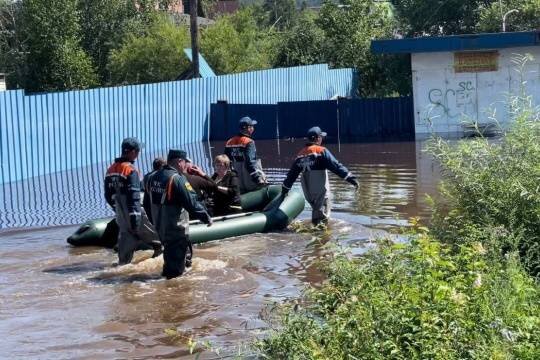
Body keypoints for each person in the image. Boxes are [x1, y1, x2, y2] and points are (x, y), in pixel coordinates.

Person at [147, 149, 213, 279]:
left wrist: (155, 223)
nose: (185, 166)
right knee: (175, 273)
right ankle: (172, 293)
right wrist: (206, 217)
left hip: (160, 227)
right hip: (175, 229)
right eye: (185, 162)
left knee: (171, 259)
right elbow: (192, 203)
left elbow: (147, 204)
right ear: (179, 161)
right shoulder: (177, 179)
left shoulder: (151, 177)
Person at [281, 127, 359, 226]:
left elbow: (291, 175)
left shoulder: (300, 155)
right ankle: (321, 237)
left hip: (309, 192)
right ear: (318, 139)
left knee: (316, 212)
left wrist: (284, 190)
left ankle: (315, 230)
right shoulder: (320, 151)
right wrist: (351, 179)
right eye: (321, 137)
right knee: (323, 217)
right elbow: (336, 166)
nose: (322, 139)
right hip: (321, 191)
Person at [104, 137, 161, 264]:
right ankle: (157, 265)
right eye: (138, 151)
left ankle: (122, 272)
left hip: (121, 214)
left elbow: (108, 195)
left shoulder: (111, 170)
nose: (139, 154)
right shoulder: (130, 170)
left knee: (124, 255)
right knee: (159, 241)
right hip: (135, 213)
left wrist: (117, 209)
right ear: (133, 152)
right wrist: (135, 219)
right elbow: (134, 195)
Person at [225, 116, 266, 194]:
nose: (253, 128)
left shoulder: (229, 142)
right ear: (248, 128)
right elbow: (250, 162)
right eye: (252, 126)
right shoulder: (249, 142)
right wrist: (257, 178)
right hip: (250, 180)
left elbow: (226, 161)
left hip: (237, 180)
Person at [142, 157, 166, 224]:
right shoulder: (162, 176)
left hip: (149, 205)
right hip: (159, 206)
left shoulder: (146, 176)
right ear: (162, 166)